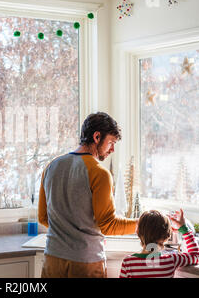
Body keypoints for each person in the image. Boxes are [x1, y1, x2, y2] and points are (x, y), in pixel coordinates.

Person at [38, 112, 138, 278]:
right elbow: (108, 225)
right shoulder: (99, 173)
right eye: (111, 142)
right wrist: (141, 224)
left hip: (53, 259)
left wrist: (67, 231)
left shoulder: (51, 167)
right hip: (85, 262)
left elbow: (43, 217)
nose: (112, 149)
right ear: (97, 137)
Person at [119, 209, 199, 278]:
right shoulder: (171, 260)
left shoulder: (128, 262)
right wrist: (183, 228)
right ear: (167, 236)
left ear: (137, 232)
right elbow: (196, 256)